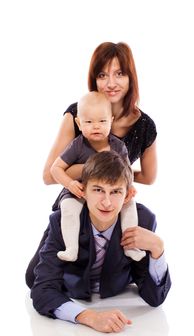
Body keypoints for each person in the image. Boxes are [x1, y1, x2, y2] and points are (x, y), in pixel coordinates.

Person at [25, 41, 157, 288]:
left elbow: (148, 177)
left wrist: (117, 183)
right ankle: (78, 275)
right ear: (93, 79)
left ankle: (111, 273)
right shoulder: (79, 114)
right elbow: (48, 174)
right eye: (102, 74)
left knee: (134, 263)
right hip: (77, 201)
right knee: (34, 277)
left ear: (131, 78)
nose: (111, 83)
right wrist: (97, 172)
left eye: (119, 73)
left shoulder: (144, 125)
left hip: (112, 207)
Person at [30, 151, 171, 333]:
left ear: (127, 196)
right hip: (72, 281)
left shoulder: (143, 220)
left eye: (115, 192)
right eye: (98, 190)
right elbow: (42, 290)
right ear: (83, 191)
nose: (106, 202)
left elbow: (155, 298)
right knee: (32, 276)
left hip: (113, 282)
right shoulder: (62, 220)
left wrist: (157, 249)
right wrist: (90, 317)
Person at [51, 91, 145, 262]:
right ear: (79, 123)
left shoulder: (118, 146)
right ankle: (71, 248)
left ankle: (131, 247)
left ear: (111, 121)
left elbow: (127, 172)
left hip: (107, 192)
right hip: (79, 189)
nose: (96, 126)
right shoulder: (77, 145)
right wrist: (70, 183)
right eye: (88, 122)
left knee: (129, 206)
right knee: (68, 207)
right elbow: (55, 169)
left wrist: (129, 188)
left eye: (102, 121)